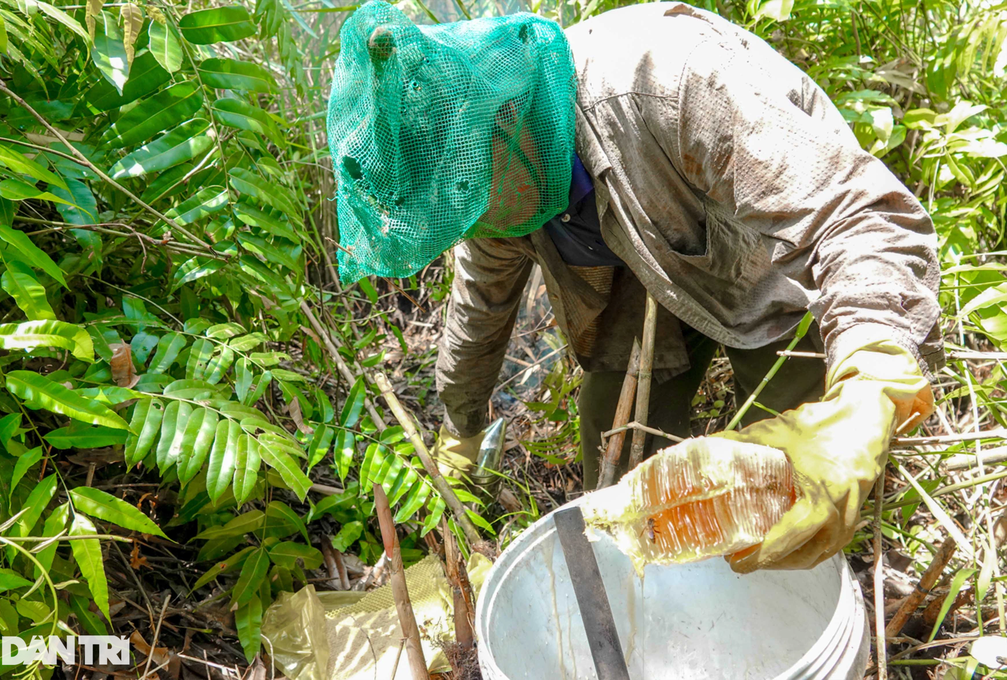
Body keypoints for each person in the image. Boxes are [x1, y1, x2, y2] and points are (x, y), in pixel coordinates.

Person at [327, 1, 943, 571]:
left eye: (471, 198)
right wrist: (460, 429)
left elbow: (859, 216)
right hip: (638, 272)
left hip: (767, 263)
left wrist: (870, 377)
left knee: (784, 489)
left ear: (504, 123)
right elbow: (480, 308)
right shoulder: (484, 190)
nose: (475, 225)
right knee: (616, 460)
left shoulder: (668, 79)